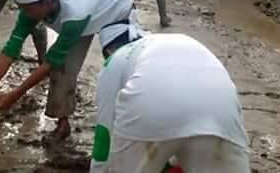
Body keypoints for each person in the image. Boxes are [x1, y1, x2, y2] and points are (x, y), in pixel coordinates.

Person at [0, 0, 138, 143]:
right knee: (62, 69)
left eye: (29, 10)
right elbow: (10, 51)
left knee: (119, 65)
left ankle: (130, 118)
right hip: (88, 8)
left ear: (47, 3)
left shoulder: (74, 13)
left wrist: (15, 95)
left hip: (114, 7)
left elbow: (49, 62)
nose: (26, 15)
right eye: (22, 9)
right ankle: (63, 124)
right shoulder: (31, 6)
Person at [90, 28, 250, 173]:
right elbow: (176, 134)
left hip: (150, 104)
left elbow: (104, 136)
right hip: (221, 109)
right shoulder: (168, 43)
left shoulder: (115, 60)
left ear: (110, 50)